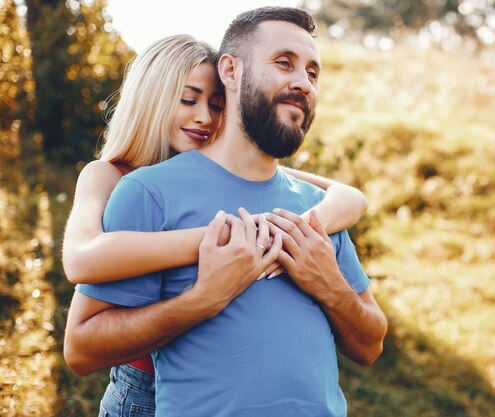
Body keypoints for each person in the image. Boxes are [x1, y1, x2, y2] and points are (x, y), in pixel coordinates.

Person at [64, 6, 387, 417]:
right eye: (187, 100)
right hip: (139, 390)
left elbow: (370, 342)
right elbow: (81, 262)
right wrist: (216, 274)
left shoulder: (308, 208)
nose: (204, 117)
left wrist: (322, 265)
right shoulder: (125, 183)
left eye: (215, 105)